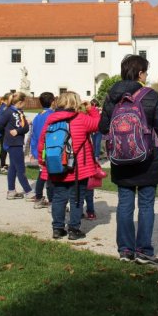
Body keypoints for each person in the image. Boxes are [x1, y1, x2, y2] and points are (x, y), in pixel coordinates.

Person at [99, 54, 158, 266]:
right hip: (147, 157)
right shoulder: (151, 95)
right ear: (140, 73)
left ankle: (125, 250)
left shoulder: (111, 96)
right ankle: (144, 251)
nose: (146, 76)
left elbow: (103, 127)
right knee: (146, 204)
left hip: (121, 156)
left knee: (124, 204)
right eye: (145, 72)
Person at [37, 91, 100, 240]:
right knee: (76, 198)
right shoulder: (82, 119)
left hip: (56, 166)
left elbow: (42, 144)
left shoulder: (50, 119)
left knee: (59, 198)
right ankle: (73, 229)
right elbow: (98, 124)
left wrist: (43, 162)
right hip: (78, 168)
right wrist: (91, 108)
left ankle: (58, 229)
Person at [0, 92, 33, 200]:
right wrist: (6, 136)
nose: (25, 104)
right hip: (12, 143)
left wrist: (17, 131)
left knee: (13, 167)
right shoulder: (8, 112)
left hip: (18, 141)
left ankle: (11, 191)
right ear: (20, 102)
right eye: (24, 102)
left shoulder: (19, 112)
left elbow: (26, 128)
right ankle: (28, 191)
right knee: (20, 168)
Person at [29, 92, 55, 209]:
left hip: (39, 150)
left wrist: (33, 151)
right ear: (53, 101)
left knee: (42, 174)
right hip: (49, 149)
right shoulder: (53, 115)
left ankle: (39, 197)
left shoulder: (37, 116)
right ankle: (52, 202)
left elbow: (33, 135)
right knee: (51, 177)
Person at [0, 93, 12, 173]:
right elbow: (1, 121)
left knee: (5, 148)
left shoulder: (5, 107)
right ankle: (2, 166)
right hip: (3, 132)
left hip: (4, 131)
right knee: (4, 148)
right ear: (7, 99)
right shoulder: (4, 108)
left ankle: (3, 164)